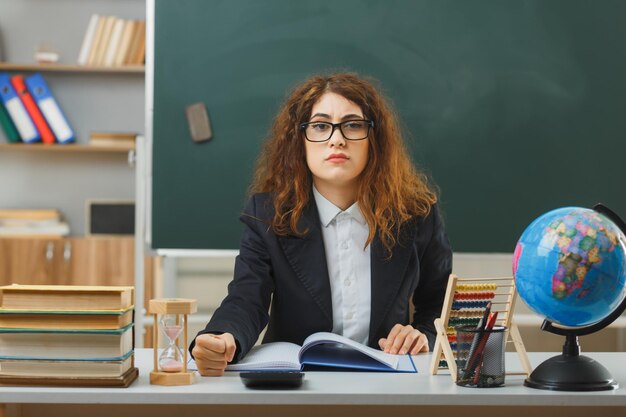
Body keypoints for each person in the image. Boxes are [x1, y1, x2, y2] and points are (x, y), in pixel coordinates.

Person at [190, 72, 452, 376]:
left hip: (388, 385)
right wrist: (224, 336)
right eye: (320, 126)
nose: (337, 138)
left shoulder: (416, 214)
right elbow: (247, 297)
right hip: (297, 388)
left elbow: (440, 302)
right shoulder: (267, 215)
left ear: (375, 140)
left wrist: (424, 334)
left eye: (353, 125)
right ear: (299, 140)